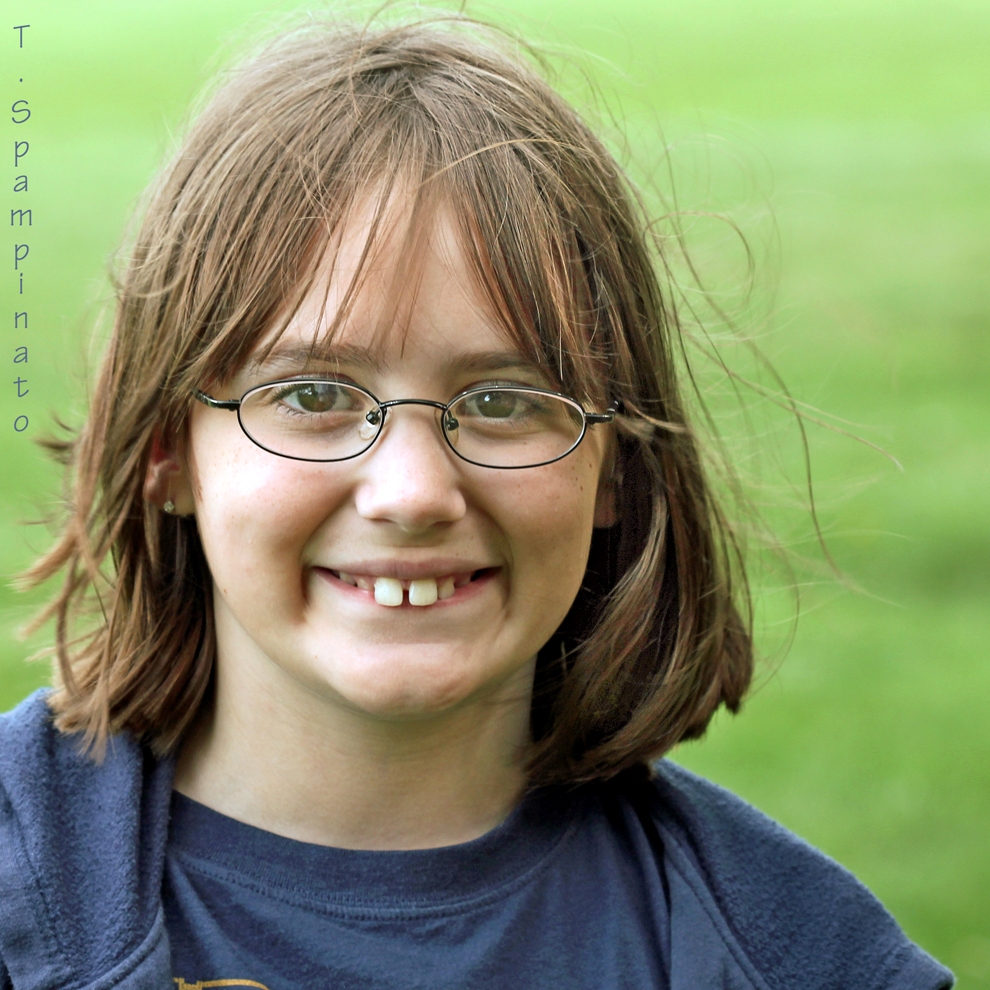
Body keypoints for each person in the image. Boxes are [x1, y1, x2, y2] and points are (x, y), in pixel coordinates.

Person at [0, 14, 953, 990]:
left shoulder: (801, 958)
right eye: (315, 396)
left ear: (617, 468)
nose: (413, 492)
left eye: (503, 402)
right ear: (167, 450)